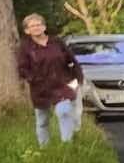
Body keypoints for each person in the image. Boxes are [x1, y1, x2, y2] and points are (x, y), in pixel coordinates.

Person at [14, 13, 81, 147]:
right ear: (27, 30)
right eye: (32, 26)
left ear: (44, 27)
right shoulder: (25, 48)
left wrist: (77, 79)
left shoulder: (56, 42)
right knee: (42, 120)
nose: (36, 28)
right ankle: (45, 150)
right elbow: (22, 69)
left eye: (39, 24)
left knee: (64, 112)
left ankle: (67, 146)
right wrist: (33, 79)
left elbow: (71, 60)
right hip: (40, 88)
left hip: (61, 84)